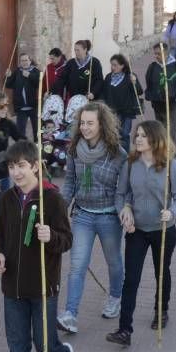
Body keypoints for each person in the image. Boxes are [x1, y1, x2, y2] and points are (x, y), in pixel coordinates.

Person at [0, 140, 74, 352]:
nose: (16, 172)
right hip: (11, 288)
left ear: (36, 166)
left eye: (22, 166)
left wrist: (50, 236)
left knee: (44, 345)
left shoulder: (52, 199)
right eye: (12, 167)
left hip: (42, 287)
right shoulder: (6, 199)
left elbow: (66, 241)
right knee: (18, 351)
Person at [106, 120, 176, 347]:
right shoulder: (130, 164)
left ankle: (161, 310)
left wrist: (171, 213)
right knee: (131, 279)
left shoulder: (171, 165)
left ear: (155, 139)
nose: (138, 139)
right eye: (137, 135)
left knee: (162, 272)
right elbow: (121, 194)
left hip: (163, 230)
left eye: (143, 136)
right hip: (137, 230)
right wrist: (124, 210)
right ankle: (124, 329)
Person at [57, 102, 127, 333]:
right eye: (82, 123)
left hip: (109, 217)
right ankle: (70, 314)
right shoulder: (74, 149)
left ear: (101, 124)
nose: (85, 127)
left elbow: (123, 190)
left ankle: (115, 298)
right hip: (83, 216)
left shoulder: (117, 153)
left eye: (90, 123)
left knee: (114, 262)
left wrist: (123, 211)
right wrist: (58, 208)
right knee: (77, 265)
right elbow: (69, 183)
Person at [144, 43, 176, 143]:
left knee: (170, 133)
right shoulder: (152, 67)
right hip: (157, 105)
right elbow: (149, 85)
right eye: (155, 54)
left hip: (172, 106)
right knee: (159, 133)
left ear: (166, 53)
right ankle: (161, 156)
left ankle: (171, 156)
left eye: (158, 54)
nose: (156, 56)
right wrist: (150, 95)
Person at [102, 54, 143, 152]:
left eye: (115, 65)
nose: (112, 67)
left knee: (124, 134)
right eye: (111, 65)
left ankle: (125, 156)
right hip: (113, 111)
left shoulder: (130, 76)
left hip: (127, 111)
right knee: (113, 134)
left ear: (122, 66)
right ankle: (114, 154)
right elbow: (104, 93)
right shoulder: (108, 77)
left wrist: (135, 83)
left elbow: (139, 91)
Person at [4, 53, 41, 139]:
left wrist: (30, 76)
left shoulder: (36, 71)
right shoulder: (17, 71)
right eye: (22, 61)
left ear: (30, 61)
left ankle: (37, 146)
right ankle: (22, 147)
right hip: (21, 107)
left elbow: (39, 83)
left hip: (34, 106)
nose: (24, 62)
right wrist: (8, 77)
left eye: (26, 60)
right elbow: (8, 85)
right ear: (20, 62)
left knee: (37, 129)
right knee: (20, 131)